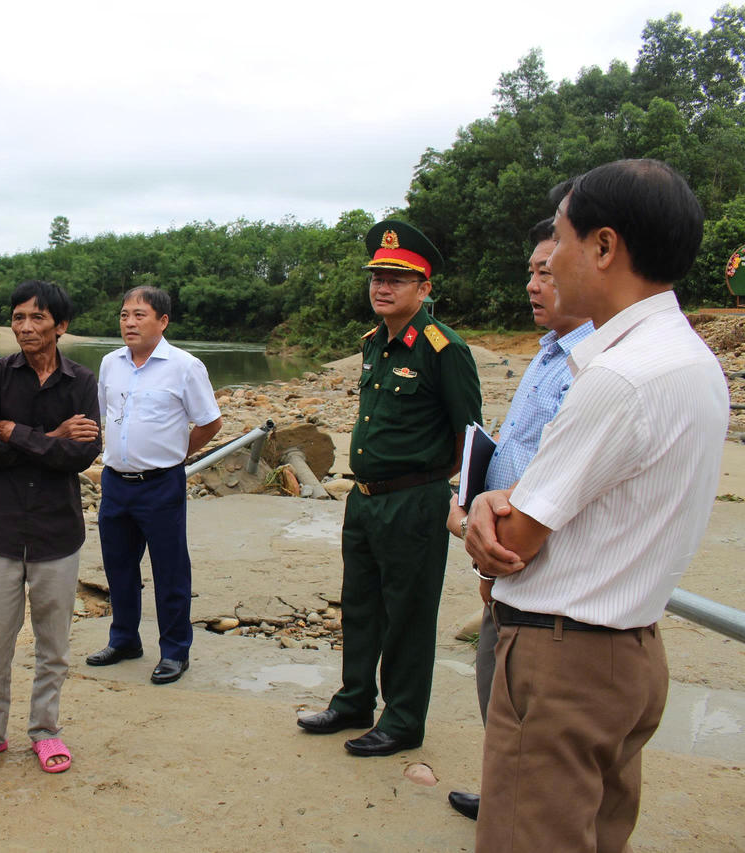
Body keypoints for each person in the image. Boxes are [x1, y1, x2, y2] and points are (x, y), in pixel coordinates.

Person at [466, 159, 728, 852]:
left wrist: (478, 516)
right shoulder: (689, 359)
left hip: (565, 661)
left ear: (605, 247)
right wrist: (507, 498)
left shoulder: (615, 375)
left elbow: (515, 542)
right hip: (631, 649)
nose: (548, 257)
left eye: (559, 237)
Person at [296, 220, 481, 756]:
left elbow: (468, 435)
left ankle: (402, 720)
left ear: (424, 290)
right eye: (377, 276)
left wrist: (447, 495)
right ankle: (354, 699)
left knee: (408, 615)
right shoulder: (374, 343)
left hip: (414, 501)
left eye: (398, 279)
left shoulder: (442, 349)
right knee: (360, 605)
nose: (382, 286)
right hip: (366, 498)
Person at [442, 218, 593, 821]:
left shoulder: (591, 368)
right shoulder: (546, 355)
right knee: (497, 690)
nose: (533, 285)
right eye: (530, 271)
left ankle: (520, 806)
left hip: (533, 561)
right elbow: (523, 447)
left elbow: (555, 478)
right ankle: (505, 788)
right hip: (506, 560)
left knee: (529, 701)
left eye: (546, 272)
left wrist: (473, 530)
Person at [0, 280, 101, 773]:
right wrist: (52, 436)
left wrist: (21, 434)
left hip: (58, 533)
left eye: (37, 318)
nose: (26, 328)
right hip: (0, 530)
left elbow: (82, 455)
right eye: (18, 318)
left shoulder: (82, 382)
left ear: (61, 326)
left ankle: (45, 732)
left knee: (53, 646)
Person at [87, 286, 222, 685]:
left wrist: (177, 454)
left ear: (162, 322)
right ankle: (125, 639)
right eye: (125, 314)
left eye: (139, 315)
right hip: (114, 482)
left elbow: (211, 422)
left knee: (169, 571)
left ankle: (175, 651)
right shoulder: (111, 362)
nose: (129, 322)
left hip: (160, 484)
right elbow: (102, 411)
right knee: (119, 566)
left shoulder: (184, 366)